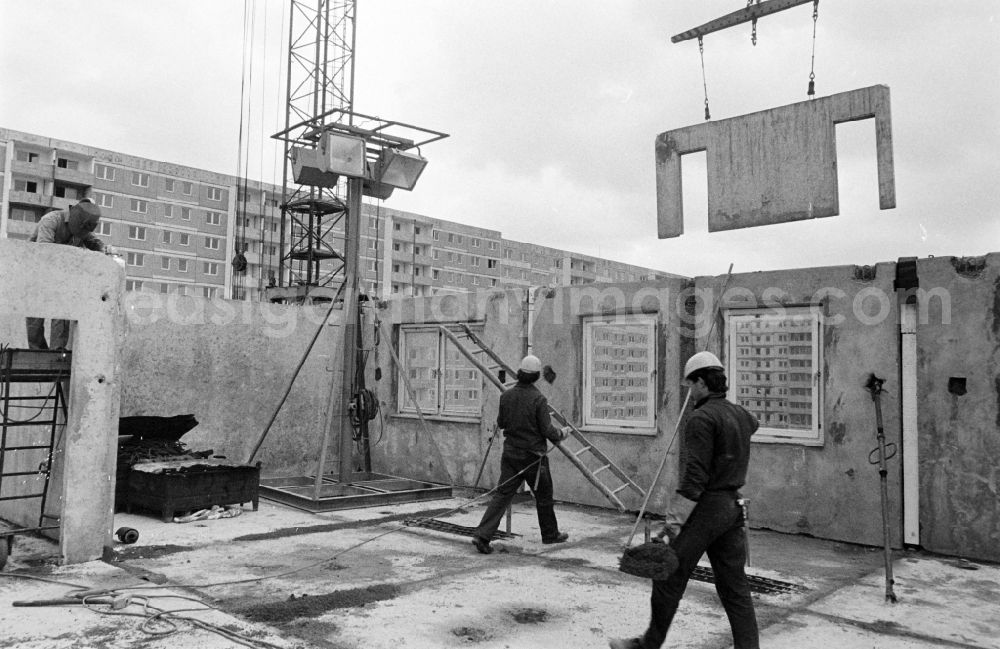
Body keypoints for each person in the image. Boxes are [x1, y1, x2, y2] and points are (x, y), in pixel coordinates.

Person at [610, 351, 760, 649]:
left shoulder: (700, 418)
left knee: (668, 574)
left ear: (702, 383)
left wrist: (673, 524)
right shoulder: (740, 414)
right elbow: (753, 423)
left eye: (691, 385)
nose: (690, 392)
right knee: (734, 586)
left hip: (706, 509)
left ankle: (648, 645)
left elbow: (695, 479)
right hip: (732, 508)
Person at [471, 354, 571, 554]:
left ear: (519, 373)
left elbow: (503, 423)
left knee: (502, 495)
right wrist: (562, 433)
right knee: (544, 496)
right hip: (534, 457)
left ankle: (482, 535)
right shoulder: (539, 399)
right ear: (535, 377)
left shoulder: (506, 396)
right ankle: (550, 535)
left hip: (511, 454)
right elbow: (547, 431)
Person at [25, 198, 109, 350]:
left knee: (62, 314)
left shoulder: (82, 229)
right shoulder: (51, 221)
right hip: (36, 273)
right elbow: (45, 252)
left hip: (61, 278)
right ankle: (36, 354)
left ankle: (57, 354)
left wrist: (105, 252)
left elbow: (95, 242)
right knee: (35, 316)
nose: (82, 234)